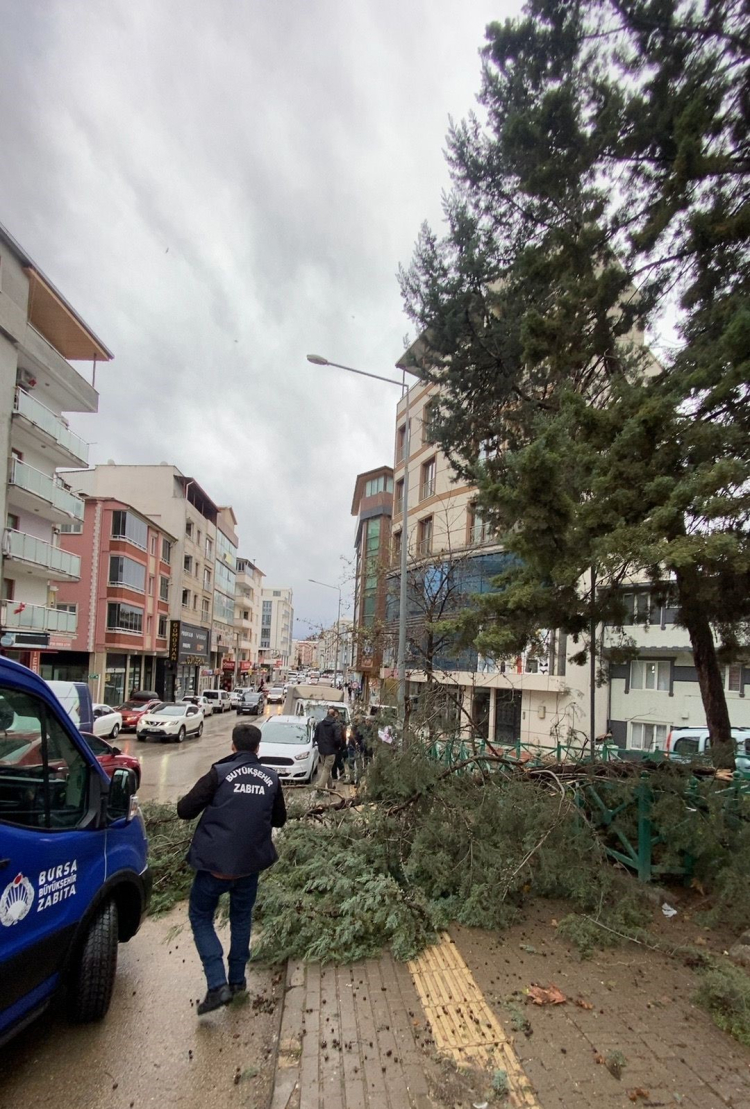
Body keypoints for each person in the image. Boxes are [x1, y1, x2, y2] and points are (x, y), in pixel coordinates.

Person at [177, 722, 287, 1015]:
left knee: (200, 917)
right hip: (249, 867)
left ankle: (217, 985)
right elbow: (279, 820)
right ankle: (237, 981)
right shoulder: (271, 778)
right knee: (241, 918)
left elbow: (185, 810)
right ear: (258, 748)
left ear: (233, 746)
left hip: (213, 866)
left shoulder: (219, 773)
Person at [314, 706, 343, 790]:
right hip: (331, 751)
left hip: (322, 750)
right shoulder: (335, 725)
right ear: (334, 715)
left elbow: (316, 737)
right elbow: (338, 739)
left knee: (325, 769)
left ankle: (330, 786)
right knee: (326, 769)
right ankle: (320, 787)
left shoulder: (320, 724)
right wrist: (337, 747)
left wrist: (320, 744)